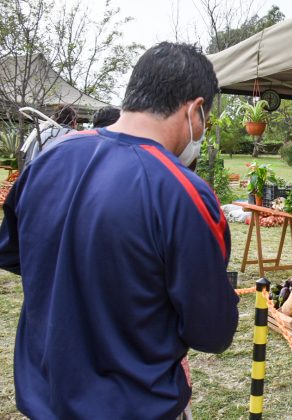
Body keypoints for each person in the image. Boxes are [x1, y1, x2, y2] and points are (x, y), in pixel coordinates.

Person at [0, 42, 239, 418]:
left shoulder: (47, 161)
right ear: (195, 110)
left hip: (46, 400)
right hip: (136, 405)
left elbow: (15, 253)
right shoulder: (183, 192)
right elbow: (211, 332)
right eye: (205, 120)